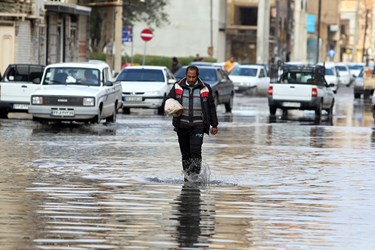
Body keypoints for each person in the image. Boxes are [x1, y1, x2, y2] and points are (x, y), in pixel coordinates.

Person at [166, 65, 218, 180]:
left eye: (193, 77)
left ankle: (195, 177)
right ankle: (187, 177)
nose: (191, 79)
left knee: (195, 152)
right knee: (185, 154)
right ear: (186, 75)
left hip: (198, 126)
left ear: (197, 76)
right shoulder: (177, 87)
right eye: (189, 76)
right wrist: (171, 107)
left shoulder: (205, 88)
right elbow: (168, 100)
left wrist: (214, 125)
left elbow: (211, 107)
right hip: (182, 126)